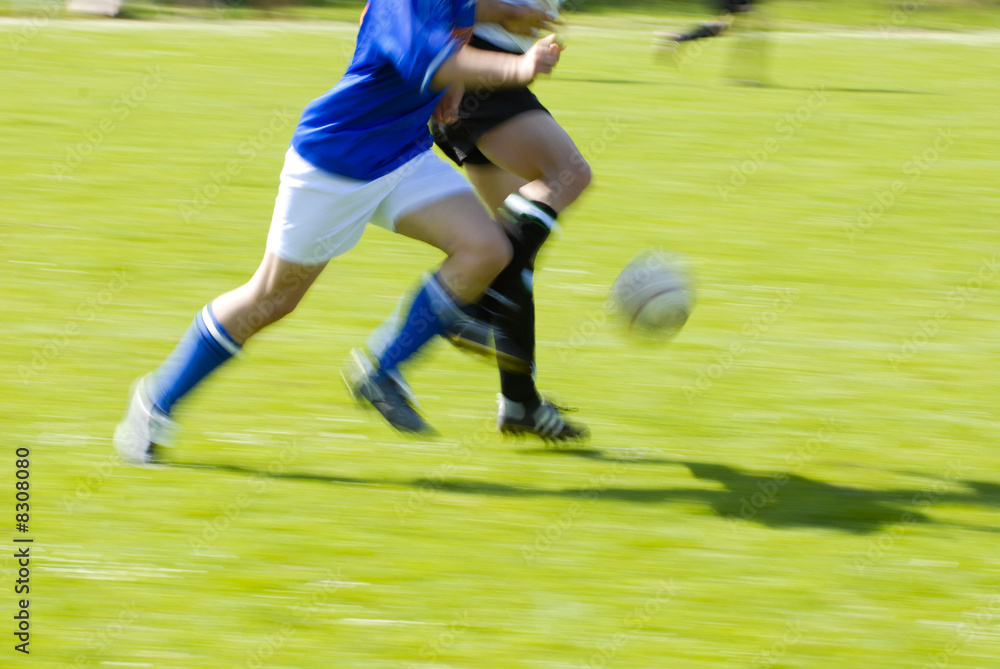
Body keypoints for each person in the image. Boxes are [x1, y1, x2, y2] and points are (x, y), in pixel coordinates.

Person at [113, 0, 564, 464]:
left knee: (486, 249)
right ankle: (155, 402)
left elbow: (458, 23)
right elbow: (431, 59)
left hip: (402, 155)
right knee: (271, 298)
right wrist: (519, 66)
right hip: (338, 161)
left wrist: (505, 15)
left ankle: (382, 369)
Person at [355, 0, 591, 443]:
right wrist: (506, 12)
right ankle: (470, 309)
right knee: (569, 175)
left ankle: (519, 400)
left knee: (514, 254)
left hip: (477, 72)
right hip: (480, 70)